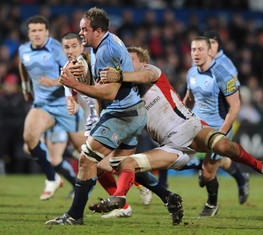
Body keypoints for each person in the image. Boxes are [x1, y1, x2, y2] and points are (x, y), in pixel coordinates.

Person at [87, 46, 263, 221]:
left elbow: (146, 77)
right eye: (124, 62)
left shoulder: (151, 71)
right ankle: (120, 197)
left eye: (131, 60)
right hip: (168, 146)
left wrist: (119, 75)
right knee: (126, 163)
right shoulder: (124, 91)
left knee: (223, 146)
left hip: (189, 128)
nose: (127, 64)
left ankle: (261, 167)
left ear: (144, 62)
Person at [45, 8, 172, 226]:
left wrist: (75, 85)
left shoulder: (106, 51)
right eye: (80, 29)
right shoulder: (102, 44)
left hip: (123, 113)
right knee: (120, 164)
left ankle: (75, 215)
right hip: (129, 111)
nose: (81, 33)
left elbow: (109, 92)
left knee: (87, 158)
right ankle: (169, 197)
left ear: (98, 30)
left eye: (84, 29)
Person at [18, 15, 84, 200]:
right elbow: (22, 64)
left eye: (40, 30)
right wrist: (25, 86)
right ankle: (52, 178)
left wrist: (54, 82)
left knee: (88, 151)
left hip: (65, 104)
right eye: (33, 31)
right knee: (29, 139)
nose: (37, 34)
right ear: (29, 33)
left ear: (47, 32)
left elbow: (72, 72)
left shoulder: (57, 48)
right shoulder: (23, 50)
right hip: (42, 105)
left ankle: (133, 179)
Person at [183, 31, 250, 216]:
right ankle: (239, 175)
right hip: (197, 126)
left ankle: (212, 205)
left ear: (211, 51)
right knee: (173, 154)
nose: (196, 53)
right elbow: (189, 99)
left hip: (218, 128)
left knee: (207, 173)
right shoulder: (191, 72)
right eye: (193, 49)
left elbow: (235, 106)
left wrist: (221, 133)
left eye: (201, 49)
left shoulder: (223, 72)